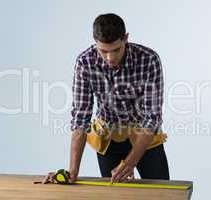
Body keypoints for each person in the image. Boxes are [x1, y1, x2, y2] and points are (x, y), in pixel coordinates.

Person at [42, 13, 169, 184]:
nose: (110, 58)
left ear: (126, 38)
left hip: (144, 137)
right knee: (114, 194)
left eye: (116, 50)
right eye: (103, 51)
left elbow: (152, 118)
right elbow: (81, 118)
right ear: (95, 43)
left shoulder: (149, 59)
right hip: (107, 138)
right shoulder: (84, 63)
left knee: (163, 191)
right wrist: (72, 171)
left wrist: (130, 163)